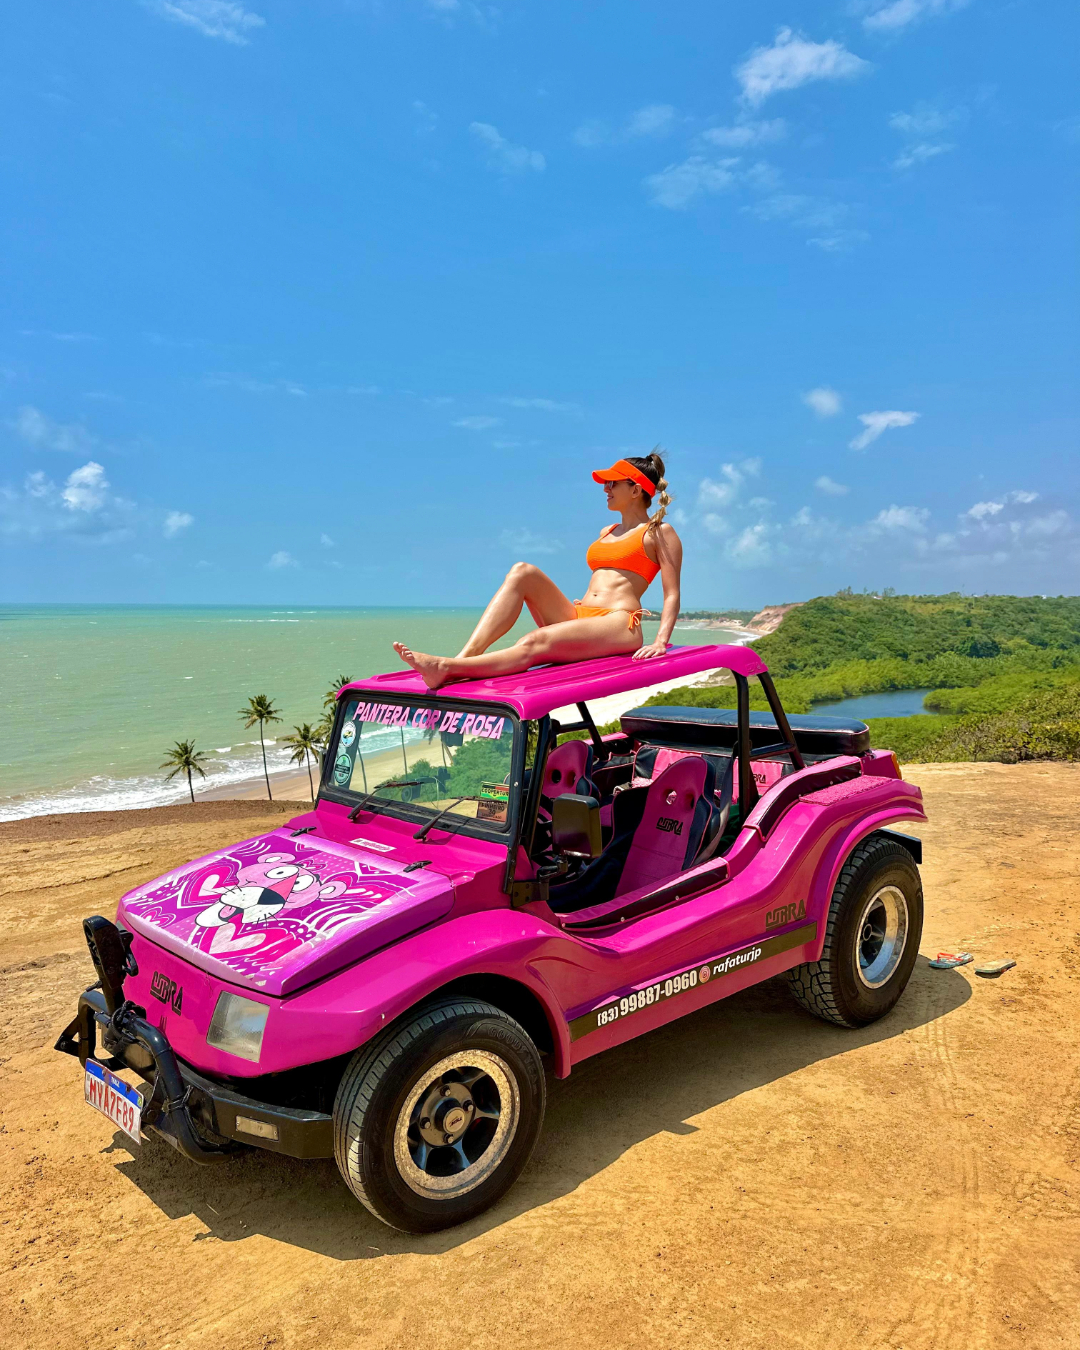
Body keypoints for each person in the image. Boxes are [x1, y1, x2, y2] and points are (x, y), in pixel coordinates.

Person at [393, 451, 683, 689]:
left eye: (613, 483)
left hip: (620, 624)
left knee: (534, 641)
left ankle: (446, 667)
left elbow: (671, 594)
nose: (605, 489)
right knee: (523, 571)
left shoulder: (659, 532)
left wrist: (661, 641)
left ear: (635, 489)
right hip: (582, 616)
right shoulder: (607, 530)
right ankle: (465, 658)